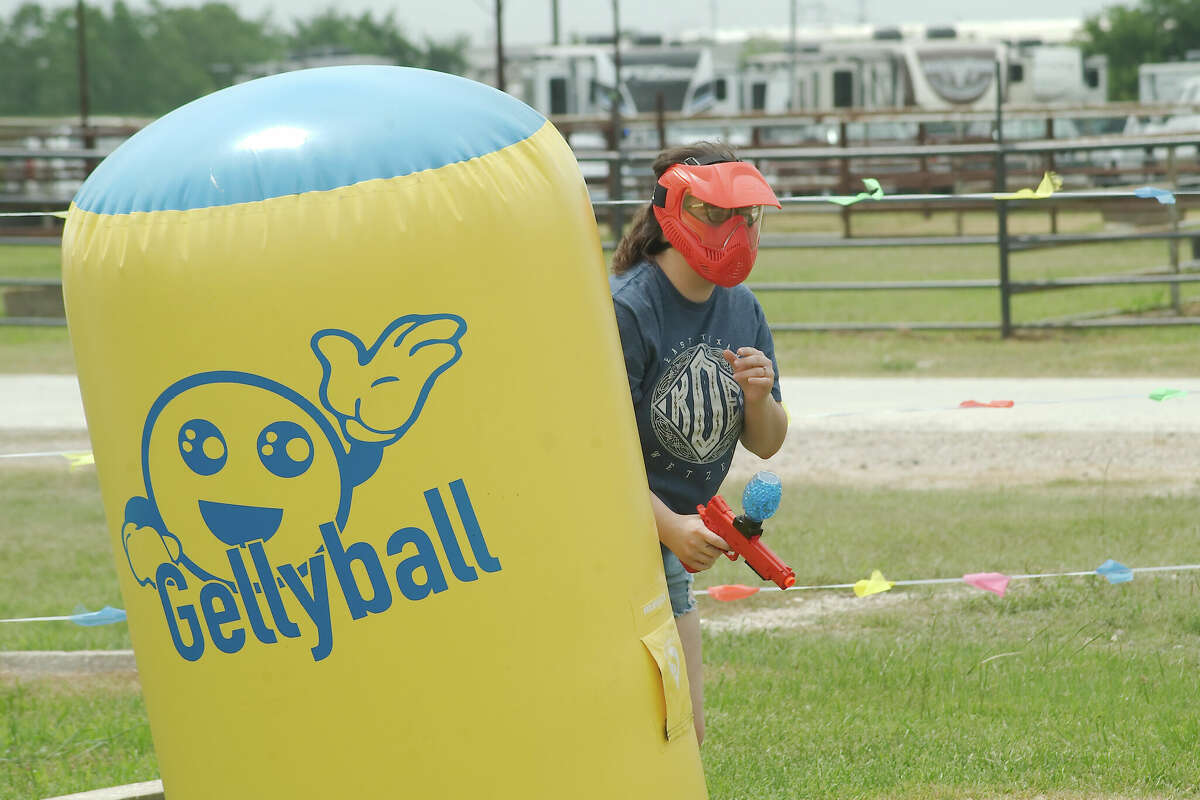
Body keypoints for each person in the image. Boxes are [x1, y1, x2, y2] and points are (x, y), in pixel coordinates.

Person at [609, 142, 788, 745]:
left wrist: (760, 399)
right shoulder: (629, 310)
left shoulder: (742, 309)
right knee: (621, 729)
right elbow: (595, 456)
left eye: (747, 216)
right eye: (715, 214)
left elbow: (767, 444)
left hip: (672, 546)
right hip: (609, 543)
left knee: (684, 731)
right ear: (672, 210)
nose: (735, 231)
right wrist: (666, 525)